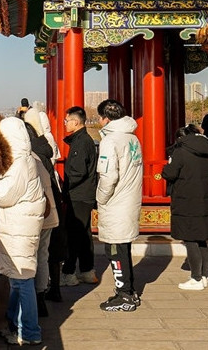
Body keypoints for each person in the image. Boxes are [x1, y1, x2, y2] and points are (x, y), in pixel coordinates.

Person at [0, 115, 46, 346]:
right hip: (19, 228)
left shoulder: (20, 164)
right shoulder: (22, 160)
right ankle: (16, 325)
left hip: (19, 230)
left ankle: (30, 332)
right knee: (19, 280)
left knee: (22, 281)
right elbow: (11, 187)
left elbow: (2, 196)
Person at [94, 99, 143, 312]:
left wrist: (100, 198)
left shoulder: (110, 141)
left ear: (105, 118)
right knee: (124, 248)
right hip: (129, 200)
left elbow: (108, 176)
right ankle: (128, 290)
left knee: (115, 250)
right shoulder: (132, 138)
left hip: (116, 203)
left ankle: (124, 295)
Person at [162, 124, 208, 290]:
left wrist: (168, 164)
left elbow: (170, 173)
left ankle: (196, 278)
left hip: (187, 200)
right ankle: (204, 275)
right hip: (204, 200)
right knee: (201, 239)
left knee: (190, 239)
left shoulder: (181, 152)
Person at [22, 107, 63, 316]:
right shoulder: (47, 147)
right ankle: (44, 294)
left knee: (31, 256)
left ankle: (32, 303)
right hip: (51, 210)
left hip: (34, 214)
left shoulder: (28, 157)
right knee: (45, 254)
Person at [60, 105, 100, 287]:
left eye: (67, 120)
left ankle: (68, 273)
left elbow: (77, 171)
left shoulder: (81, 142)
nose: (65, 123)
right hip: (84, 194)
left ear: (75, 122)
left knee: (74, 235)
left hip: (79, 195)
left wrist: (65, 188)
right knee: (84, 234)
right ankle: (87, 271)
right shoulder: (84, 140)